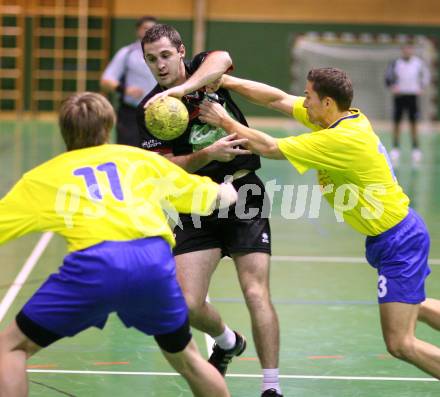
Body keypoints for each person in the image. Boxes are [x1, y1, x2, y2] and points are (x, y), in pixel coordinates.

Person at [199, 68, 440, 379]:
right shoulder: (338, 117)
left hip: (398, 240)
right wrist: (228, 81)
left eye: (309, 97)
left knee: (400, 343)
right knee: (411, 303)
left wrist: (224, 121)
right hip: (393, 235)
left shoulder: (341, 138)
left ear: (327, 102)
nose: (303, 101)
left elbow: (270, 148)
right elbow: (277, 99)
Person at [0, 92, 238, 397]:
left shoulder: (42, 178)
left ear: (64, 129)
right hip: (153, 261)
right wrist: (226, 192)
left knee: (11, 348)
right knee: (188, 359)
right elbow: (202, 196)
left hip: (95, 266)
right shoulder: (139, 159)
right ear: (109, 125)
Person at [137, 24, 283, 397]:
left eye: (166, 55)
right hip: (195, 202)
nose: (160, 65)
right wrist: (206, 155)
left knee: (255, 293)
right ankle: (227, 340)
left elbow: (224, 59)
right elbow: (165, 167)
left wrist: (182, 90)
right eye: (152, 59)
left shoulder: (206, 71)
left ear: (182, 52)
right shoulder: (151, 111)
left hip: (244, 189)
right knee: (185, 304)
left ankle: (271, 388)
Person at [101, 16, 158, 146]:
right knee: (128, 152)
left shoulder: (164, 54)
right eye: (146, 28)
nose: (150, 32)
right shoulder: (127, 53)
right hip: (131, 115)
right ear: (138, 31)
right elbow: (106, 80)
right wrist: (125, 89)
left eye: (153, 29)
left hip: (157, 114)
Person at [384, 44, 431, 165]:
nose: (407, 51)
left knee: (413, 123)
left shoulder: (418, 63)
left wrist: (422, 87)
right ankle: (395, 148)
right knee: (397, 122)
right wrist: (392, 87)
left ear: (412, 50)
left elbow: (426, 76)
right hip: (400, 96)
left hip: (412, 96)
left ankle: (415, 148)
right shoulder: (396, 63)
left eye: (410, 48)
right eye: (405, 48)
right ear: (402, 50)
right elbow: (388, 77)